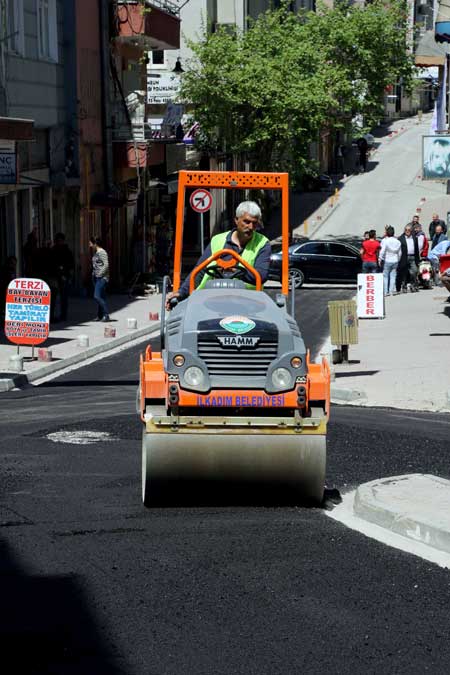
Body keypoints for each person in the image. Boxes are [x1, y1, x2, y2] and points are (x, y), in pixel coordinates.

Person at [166, 201, 271, 309]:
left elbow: (261, 275)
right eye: (246, 222)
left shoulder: (262, 243)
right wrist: (181, 293)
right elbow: (200, 270)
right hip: (211, 298)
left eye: (254, 223)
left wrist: (236, 271)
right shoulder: (218, 240)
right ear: (236, 220)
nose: (250, 227)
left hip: (248, 302)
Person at [51, 233, 74, 322]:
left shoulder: (67, 251)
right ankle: (53, 315)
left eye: (60, 240)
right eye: (57, 240)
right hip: (55, 276)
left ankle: (63, 315)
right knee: (53, 297)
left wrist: (67, 275)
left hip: (64, 276)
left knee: (64, 297)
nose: (58, 242)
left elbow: (71, 264)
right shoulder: (53, 250)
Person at [89, 236, 110, 321]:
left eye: (90, 243)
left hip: (102, 278)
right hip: (96, 277)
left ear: (95, 243)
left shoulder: (102, 252)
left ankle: (106, 314)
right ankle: (100, 315)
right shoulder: (96, 252)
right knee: (101, 296)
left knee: (96, 296)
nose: (89, 245)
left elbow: (106, 265)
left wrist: (100, 274)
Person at [397, 224, 420, 292]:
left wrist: (418, 260)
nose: (407, 231)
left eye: (409, 230)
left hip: (413, 257)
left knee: (414, 271)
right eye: (406, 230)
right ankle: (404, 287)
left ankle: (413, 285)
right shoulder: (401, 238)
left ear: (411, 231)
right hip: (404, 257)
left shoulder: (414, 238)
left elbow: (417, 249)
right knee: (404, 273)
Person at [379, 226, 401, 296]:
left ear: (387, 233)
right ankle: (391, 291)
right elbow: (400, 253)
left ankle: (386, 292)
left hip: (387, 260)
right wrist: (398, 259)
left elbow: (382, 251)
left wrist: (380, 258)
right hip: (395, 260)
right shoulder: (398, 242)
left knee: (385, 276)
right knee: (393, 276)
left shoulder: (386, 241)